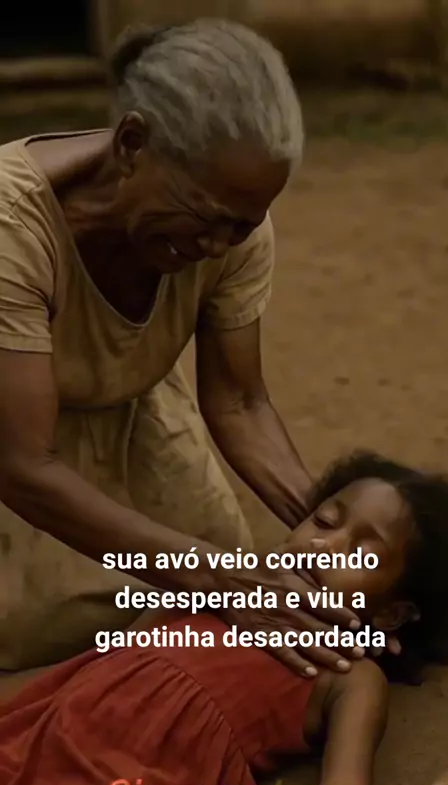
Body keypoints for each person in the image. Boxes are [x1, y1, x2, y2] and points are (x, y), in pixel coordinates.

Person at [0, 19, 363, 674]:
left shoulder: (233, 220)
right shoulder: (13, 227)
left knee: (211, 603)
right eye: (206, 217)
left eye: (243, 225)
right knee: (42, 634)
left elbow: (240, 402)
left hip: (136, 416)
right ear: (132, 144)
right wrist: (218, 579)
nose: (220, 246)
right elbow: (23, 465)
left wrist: (338, 541)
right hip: (21, 445)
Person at [0, 451, 448, 785]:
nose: (323, 545)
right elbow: (116, 657)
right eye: (324, 521)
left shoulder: (348, 673)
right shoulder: (224, 585)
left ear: (391, 614)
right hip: (57, 732)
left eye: (360, 554)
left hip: (139, 780)